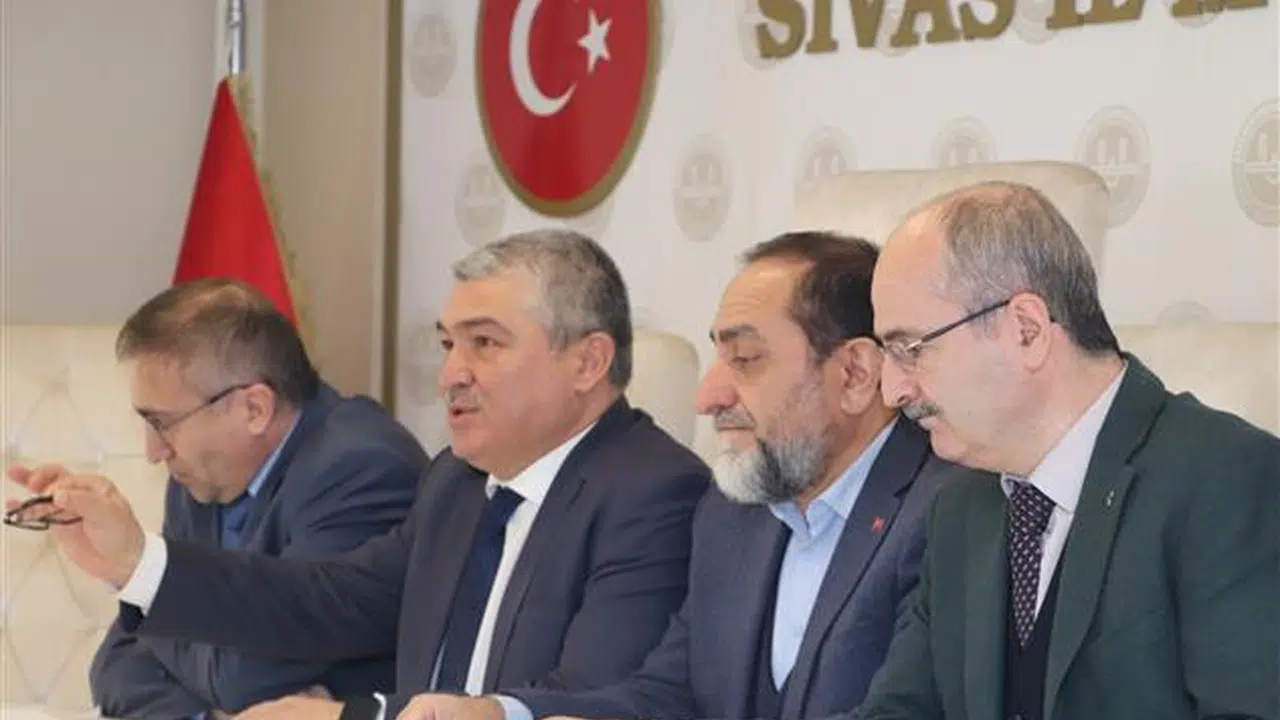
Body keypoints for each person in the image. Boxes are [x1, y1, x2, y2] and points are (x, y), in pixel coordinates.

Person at [6, 229, 710, 720]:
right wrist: (136, 564)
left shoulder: (654, 491)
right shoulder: (458, 482)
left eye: (484, 344)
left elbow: (582, 703)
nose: (450, 374)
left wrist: (354, 716)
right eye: (448, 344)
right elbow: (330, 600)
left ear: (587, 362)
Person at [392, 231, 968, 720]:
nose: (707, 397)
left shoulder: (949, 514)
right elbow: (669, 693)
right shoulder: (732, 513)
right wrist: (502, 713)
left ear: (856, 374)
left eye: (746, 360)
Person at [854, 181, 1279, 719]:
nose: (892, 391)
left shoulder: (1228, 479)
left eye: (909, 349)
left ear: (1026, 330)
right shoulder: (960, 510)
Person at [69, 278, 426, 718]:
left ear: (254, 409)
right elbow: (115, 670)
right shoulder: (200, 474)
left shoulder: (362, 468)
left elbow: (243, 679)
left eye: (162, 423)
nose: (153, 451)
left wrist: (161, 610)